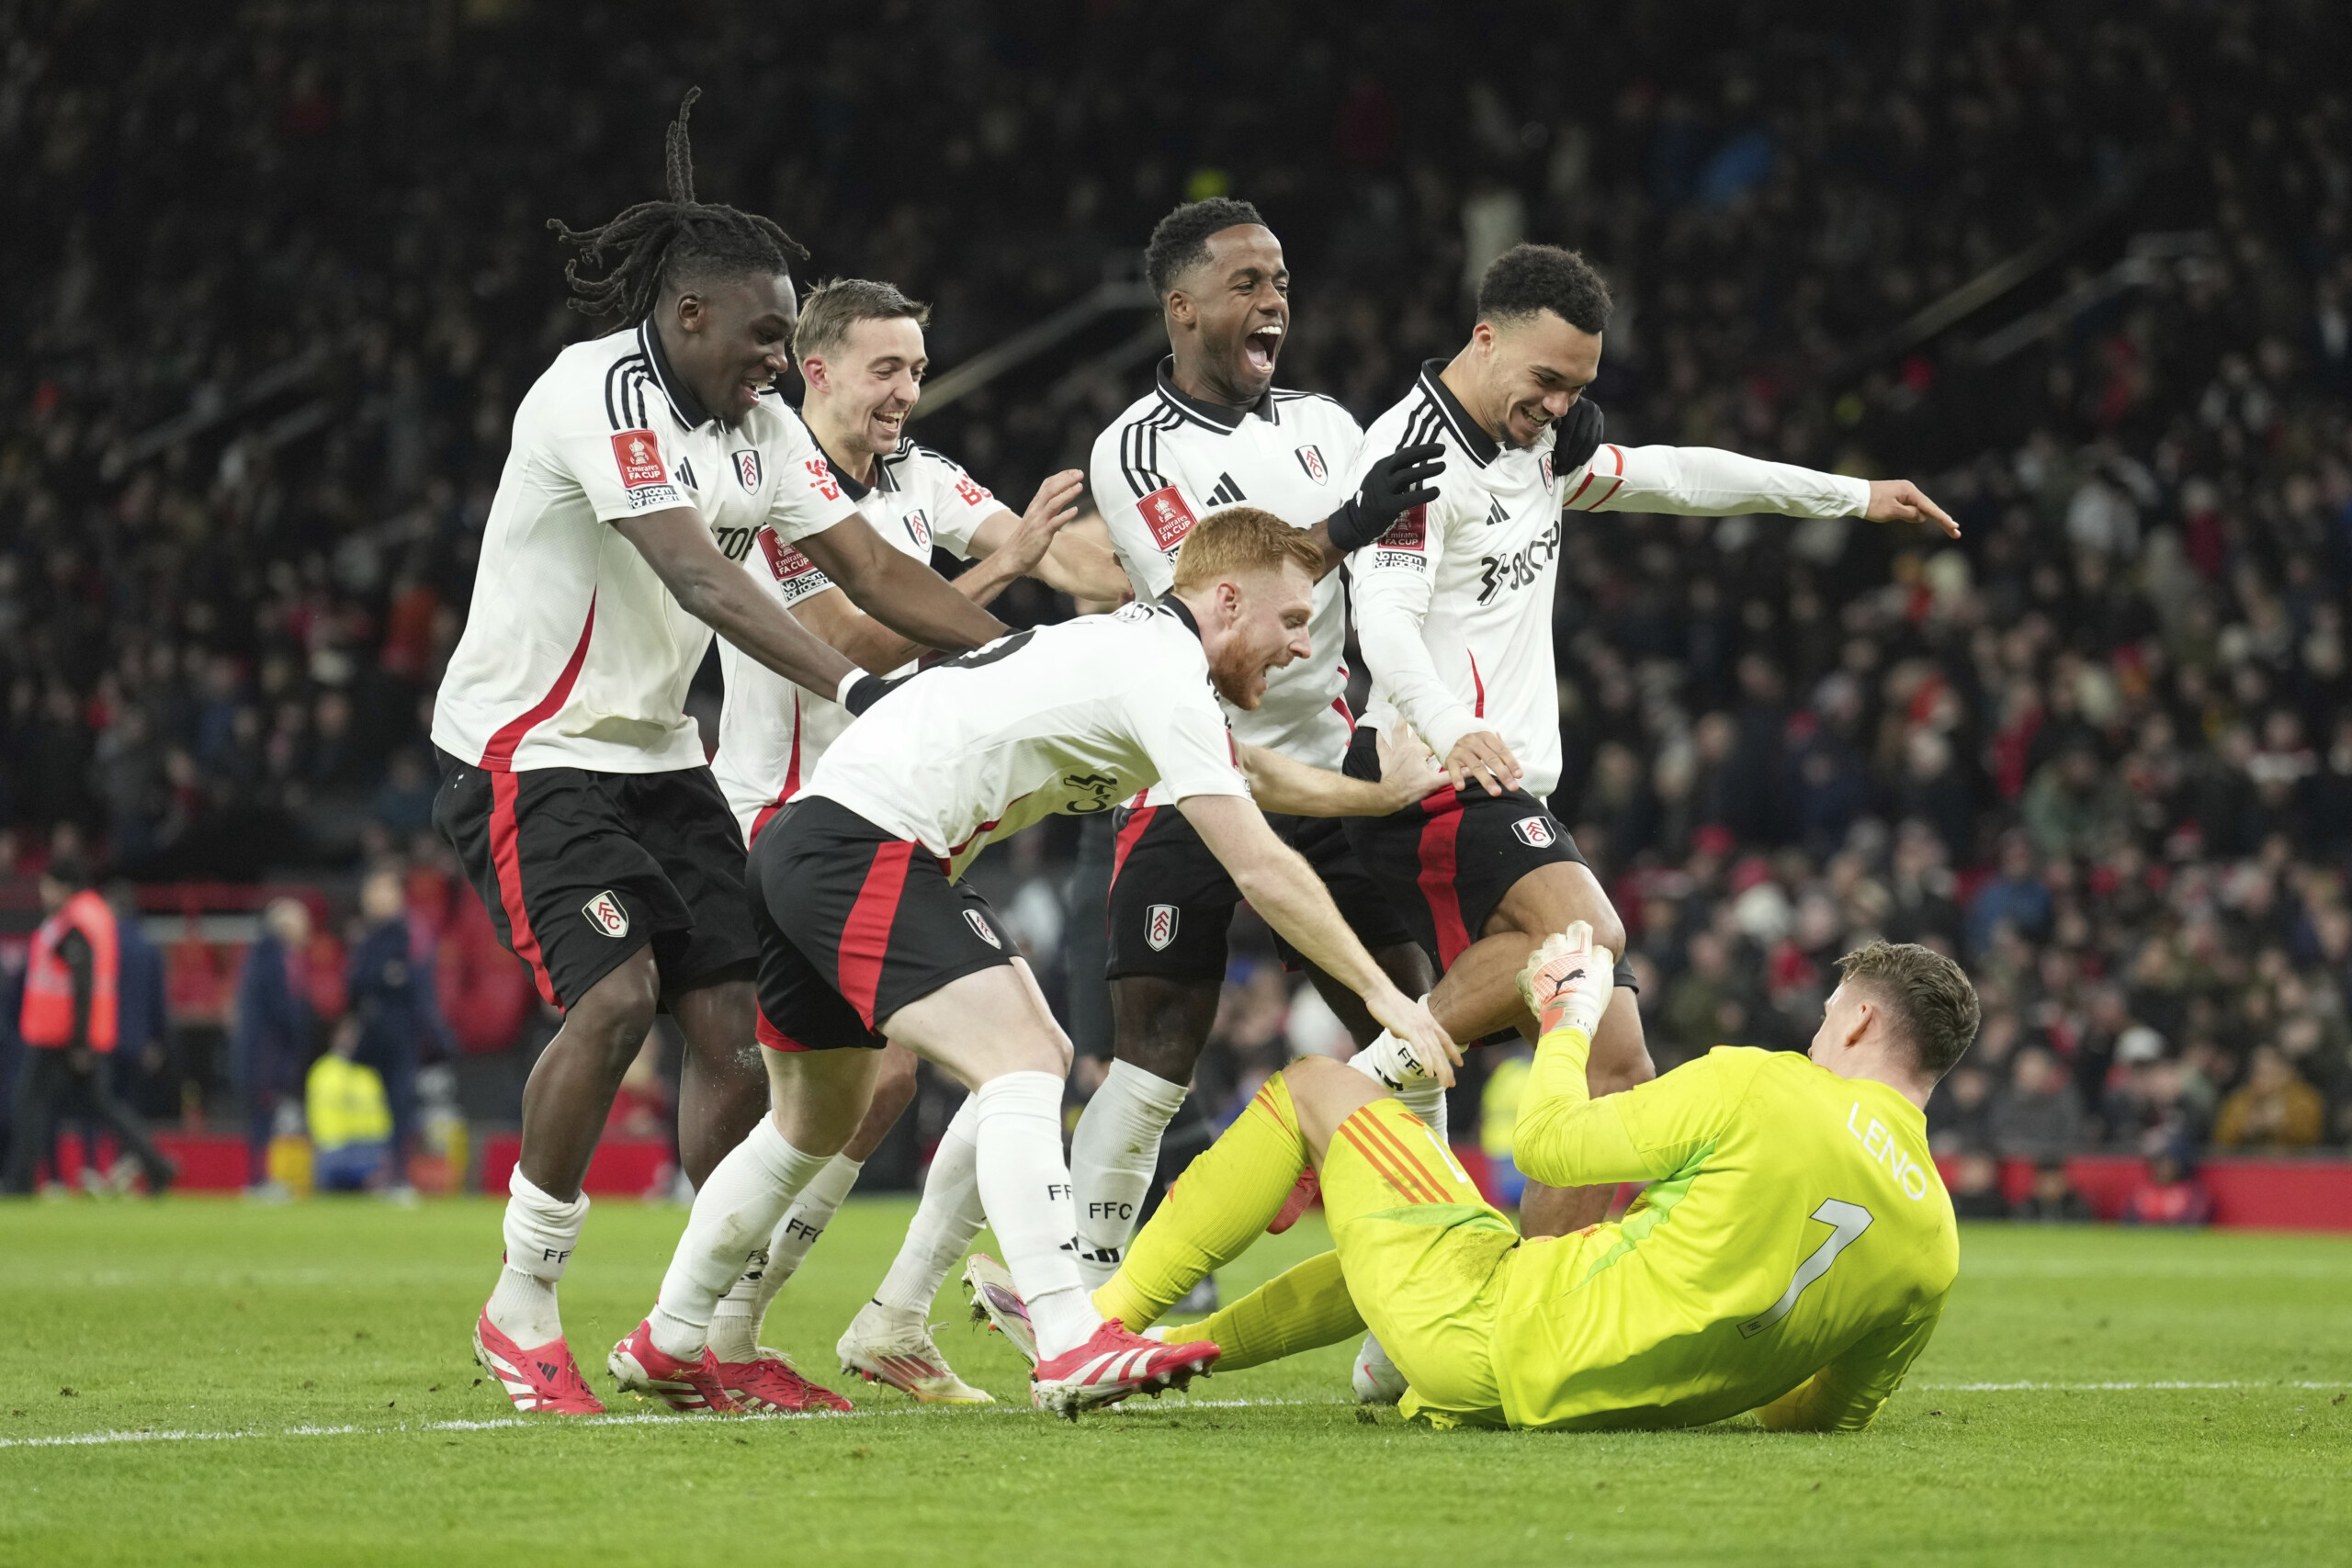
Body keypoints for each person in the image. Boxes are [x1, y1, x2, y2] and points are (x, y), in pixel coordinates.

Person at [426, 95, 1016, 1415]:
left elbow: (870, 561)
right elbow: (700, 577)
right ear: (690, 315)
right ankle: (521, 1305)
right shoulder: (599, 393)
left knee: (740, 1031)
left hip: (654, 757)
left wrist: (1011, 661)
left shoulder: (756, 428)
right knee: (622, 992)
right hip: (529, 755)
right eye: (763, 334)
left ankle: (700, 1326)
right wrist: (865, 682)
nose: (777, 360)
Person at [610, 506, 1455, 1418]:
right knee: (1025, 1057)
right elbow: (1259, 860)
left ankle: (670, 1336)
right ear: (1224, 599)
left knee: (811, 1124)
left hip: (812, 842)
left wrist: (1375, 798)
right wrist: (1385, 998)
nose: (1299, 647)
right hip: (864, 844)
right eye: (1291, 621)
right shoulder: (1159, 669)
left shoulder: (1135, 655)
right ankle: (1068, 1337)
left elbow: (1253, 772)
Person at [1339, 243, 1960, 1243]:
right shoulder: (1410, 453)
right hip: (1429, 775)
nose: (1557, 407)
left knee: (1616, 1079)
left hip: (1508, 790)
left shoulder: (1531, 446)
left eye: (1576, 388)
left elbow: (1676, 477)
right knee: (1581, 937)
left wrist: (1851, 495)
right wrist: (1455, 729)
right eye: (1543, 381)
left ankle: (1521, 1321)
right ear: (1483, 338)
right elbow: (1386, 622)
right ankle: (1343, 1098)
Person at [698, 276, 1127, 1411]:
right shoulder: (770, 483)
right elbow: (848, 634)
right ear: (815, 367)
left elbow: (1062, 555)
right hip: (790, 813)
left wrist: (1178, 583)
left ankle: (814, 1320)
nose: (906, 393)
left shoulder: (919, 478)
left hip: (902, 820)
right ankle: (732, 1326)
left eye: (918, 371)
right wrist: (1004, 566)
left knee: (928, 1072)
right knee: (927, 1064)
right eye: (886, 369)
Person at [1079, 933, 1974, 1433]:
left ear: (1857, 1023)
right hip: (1596, 1404)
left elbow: (1545, 1145)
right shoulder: (1934, 1244)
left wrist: (1567, 1018)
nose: (1816, 1038)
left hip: (1501, 1334)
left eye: (1825, 1022)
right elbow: (1821, 1415)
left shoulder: (1768, 1085)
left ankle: (1094, 1327)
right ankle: (1165, 1351)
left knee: (1313, 1084)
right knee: (1438, 1238)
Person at [1072, 197, 1446, 1292]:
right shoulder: (1130, 451)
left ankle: (1408, 1296)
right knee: (1152, 1060)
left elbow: (1392, 561)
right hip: (1194, 777)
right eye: (1246, 283)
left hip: (1325, 775)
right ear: (1181, 306)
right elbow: (1212, 602)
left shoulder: (1329, 427)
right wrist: (1344, 527)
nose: (1273, 299)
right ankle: (1091, 1293)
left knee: (1412, 1029)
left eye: (1280, 280)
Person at [2, 858, 175, 1196]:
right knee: (101, 1106)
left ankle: (19, 1179)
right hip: (73, 1032)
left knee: (30, 1104)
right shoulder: (89, 916)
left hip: (61, 1034)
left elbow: (81, 985)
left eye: (47, 887)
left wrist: (79, 1042)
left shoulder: (76, 922)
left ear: (63, 886)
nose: (43, 894)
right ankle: (157, 1165)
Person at [345, 867, 457, 1198]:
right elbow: (356, 983)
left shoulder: (409, 932)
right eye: (373, 891)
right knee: (381, 1107)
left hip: (405, 1033)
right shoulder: (366, 936)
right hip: (373, 1033)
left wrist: (437, 1036)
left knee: (402, 1103)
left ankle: (400, 1177)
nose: (376, 898)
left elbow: (418, 986)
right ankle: (385, 1172)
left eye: (384, 891)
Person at [231, 897, 316, 1199]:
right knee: (262, 1117)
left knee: (263, 1117)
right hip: (266, 1053)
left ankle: (260, 1178)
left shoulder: (262, 954)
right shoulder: (274, 957)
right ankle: (258, 1180)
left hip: (262, 1051)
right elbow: (283, 1008)